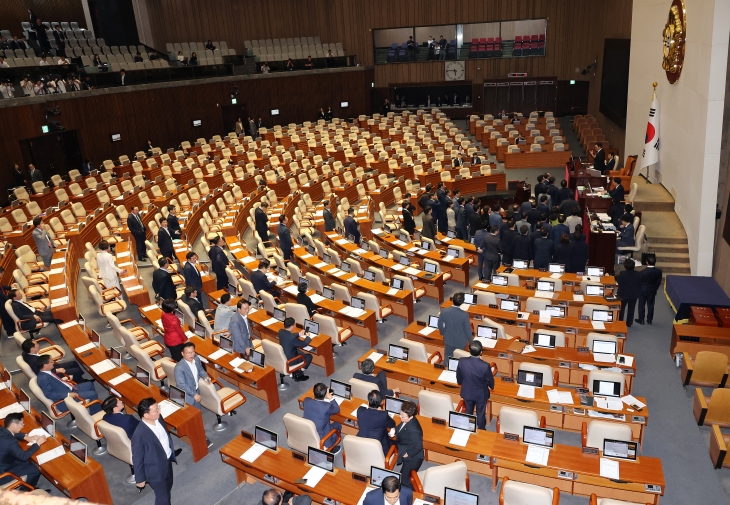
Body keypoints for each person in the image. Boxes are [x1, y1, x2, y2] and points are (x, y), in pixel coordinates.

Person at [132, 398, 177, 505]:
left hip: (166, 462)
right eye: (156, 410)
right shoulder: (139, 435)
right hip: (155, 470)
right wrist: (140, 478)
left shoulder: (158, 418)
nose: (159, 412)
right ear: (146, 415)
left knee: (168, 486)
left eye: (158, 408)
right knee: (163, 498)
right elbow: (137, 457)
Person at [37, 355, 101, 414]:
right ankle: (96, 413)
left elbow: (57, 382)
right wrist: (68, 394)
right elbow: (49, 394)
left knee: (90, 384)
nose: (53, 362)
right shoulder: (43, 378)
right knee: (92, 394)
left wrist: (67, 383)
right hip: (64, 400)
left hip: (68, 389)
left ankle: (93, 408)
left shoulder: (47, 372)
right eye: (51, 362)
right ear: (45, 365)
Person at [0, 412, 46, 489]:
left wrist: (24, 437)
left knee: (31, 461)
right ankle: (27, 490)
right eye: (21, 423)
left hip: (5, 462)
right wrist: (38, 443)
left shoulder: (1, 430)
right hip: (4, 474)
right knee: (36, 468)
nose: (23, 425)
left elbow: (10, 434)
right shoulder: (11, 442)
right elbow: (23, 457)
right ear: (14, 425)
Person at [456, 340, 494, 429]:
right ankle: (481, 429)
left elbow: (459, 377)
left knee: (468, 412)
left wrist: (460, 383)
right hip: (481, 394)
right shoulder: (485, 366)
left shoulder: (462, 361)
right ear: (481, 352)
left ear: (469, 350)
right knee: (480, 414)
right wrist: (491, 386)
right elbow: (490, 381)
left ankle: (468, 428)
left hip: (467, 392)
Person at [303, 383, 342, 454]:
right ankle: (332, 447)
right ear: (325, 394)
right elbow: (337, 409)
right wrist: (330, 397)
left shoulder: (306, 400)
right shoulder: (327, 406)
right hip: (322, 437)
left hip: (307, 431)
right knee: (338, 424)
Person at [356, 389, 395, 454]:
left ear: (368, 402)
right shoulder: (383, 415)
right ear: (381, 403)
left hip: (361, 443)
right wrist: (382, 412)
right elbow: (392, 424)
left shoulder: (360, 411)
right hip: (377, 446)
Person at [174, 342, 212, 409]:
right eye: (188, 353)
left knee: (197, 411)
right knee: (190, 414)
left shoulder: (196, 359)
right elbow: (181, 385)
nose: (191, 355)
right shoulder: (179, 367)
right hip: (186, 395)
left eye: (192, 352)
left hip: (196, 390)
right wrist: (194, 394)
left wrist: (205, 376)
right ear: (182, 354)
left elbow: (200, 370)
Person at [394, 401, 423, 487]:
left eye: (402, 415)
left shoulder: (414, 430)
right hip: (406, 447)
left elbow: (418, 446)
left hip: (413, 458)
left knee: (404, 480)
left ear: (411, 417)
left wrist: (408, 454)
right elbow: (400, 427)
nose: (400, 416)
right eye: (400, 414)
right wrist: (394, 430)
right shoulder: (406, 420)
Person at [439, 293, 473, 357]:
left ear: (453, 300)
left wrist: (443, 333)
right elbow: (467, 330)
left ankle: (446, 366)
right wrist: (471, 342)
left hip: (448, 339)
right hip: (460, 341)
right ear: (462, 302)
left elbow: (440, 324)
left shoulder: (444, 311)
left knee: (447, 356)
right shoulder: (464, 315)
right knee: (458, 357)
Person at [278, 317, 311, 381]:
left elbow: (289, 336)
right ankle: (298, 374)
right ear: (292, 326)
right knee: (309, 356)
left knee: (300, 352)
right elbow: (304, 344)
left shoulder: (281, 331)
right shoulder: (292, 338)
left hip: (284, 354)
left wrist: (299, 334)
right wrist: (308, 337)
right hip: (290, 360)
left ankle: (298, 370)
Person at [636, 255, 663, 325]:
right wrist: (655, 289)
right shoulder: (659, 271)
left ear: (647, 262)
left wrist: (639, 290)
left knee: (641, 305)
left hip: (643, 291)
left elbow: (639, 282)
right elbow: (658, 282)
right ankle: (649, 320)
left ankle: (641, 319)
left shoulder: (642, 272)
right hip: (652, 291)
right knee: (651, 305)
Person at [617, 258, 641, 327]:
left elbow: (620, 284)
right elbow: (639, 284)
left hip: (623, 294)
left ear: (625, 266)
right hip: (634, 294)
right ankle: (629, 323)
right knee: (631, 309)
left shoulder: (622, 274)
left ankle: (620, 321)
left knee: (621, 309)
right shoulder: (638, 274)